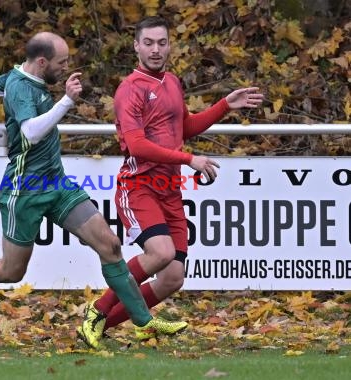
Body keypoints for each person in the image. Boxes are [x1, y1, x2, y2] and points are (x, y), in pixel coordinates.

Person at [0, 31, 187, 349]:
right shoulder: (20, 87)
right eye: (61, 63)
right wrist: (67, 100)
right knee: (10, 271)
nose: (65, 68)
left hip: (57, 185)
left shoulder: (15, 76)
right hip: (25, 191)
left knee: (110, 246)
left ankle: (143, 324)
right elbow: (30, 132)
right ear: (41, 62)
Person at [78, 16, 264, 345]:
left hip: (169, 190)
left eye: (161, 43)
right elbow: (137, 146)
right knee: (161, 252)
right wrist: (189, 159)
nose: (155, 49)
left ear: (169, 46)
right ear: (136, 46)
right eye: (148, 43)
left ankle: (103, 327)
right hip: (138, 186)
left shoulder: (172, 82)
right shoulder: (129, 90)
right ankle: (98, 310)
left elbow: (184, 129)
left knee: (172, 277)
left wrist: (224, 106)